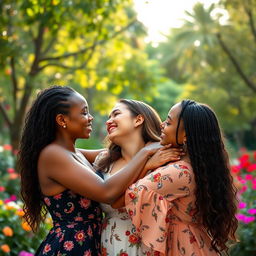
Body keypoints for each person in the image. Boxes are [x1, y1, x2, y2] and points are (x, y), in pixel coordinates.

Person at [18, 86, 166, 256]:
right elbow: (106, 191)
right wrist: (146, 154)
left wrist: (158, 142)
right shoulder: (52, 155)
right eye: (84, 112)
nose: (90, 118)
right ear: (62, 120)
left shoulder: (75, 154)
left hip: (90, 244)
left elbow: (121, 153)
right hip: (69, 247)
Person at [125, 100, 238, 255]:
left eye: (169, 123)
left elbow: (135, 192)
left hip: (182, 245)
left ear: (185, 134)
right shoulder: (197, 166)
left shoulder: (179, 172)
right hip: (196, 243)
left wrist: (147, 165)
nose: (162, 125)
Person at [92, 99, 183, 255]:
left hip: (152, 247)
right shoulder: (103, 161)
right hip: (112, 245)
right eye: (108, 117)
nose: (108, 121)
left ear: (138, 120)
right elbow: (70, 153)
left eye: (116, 114)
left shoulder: (165, 156)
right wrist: (146, 164)